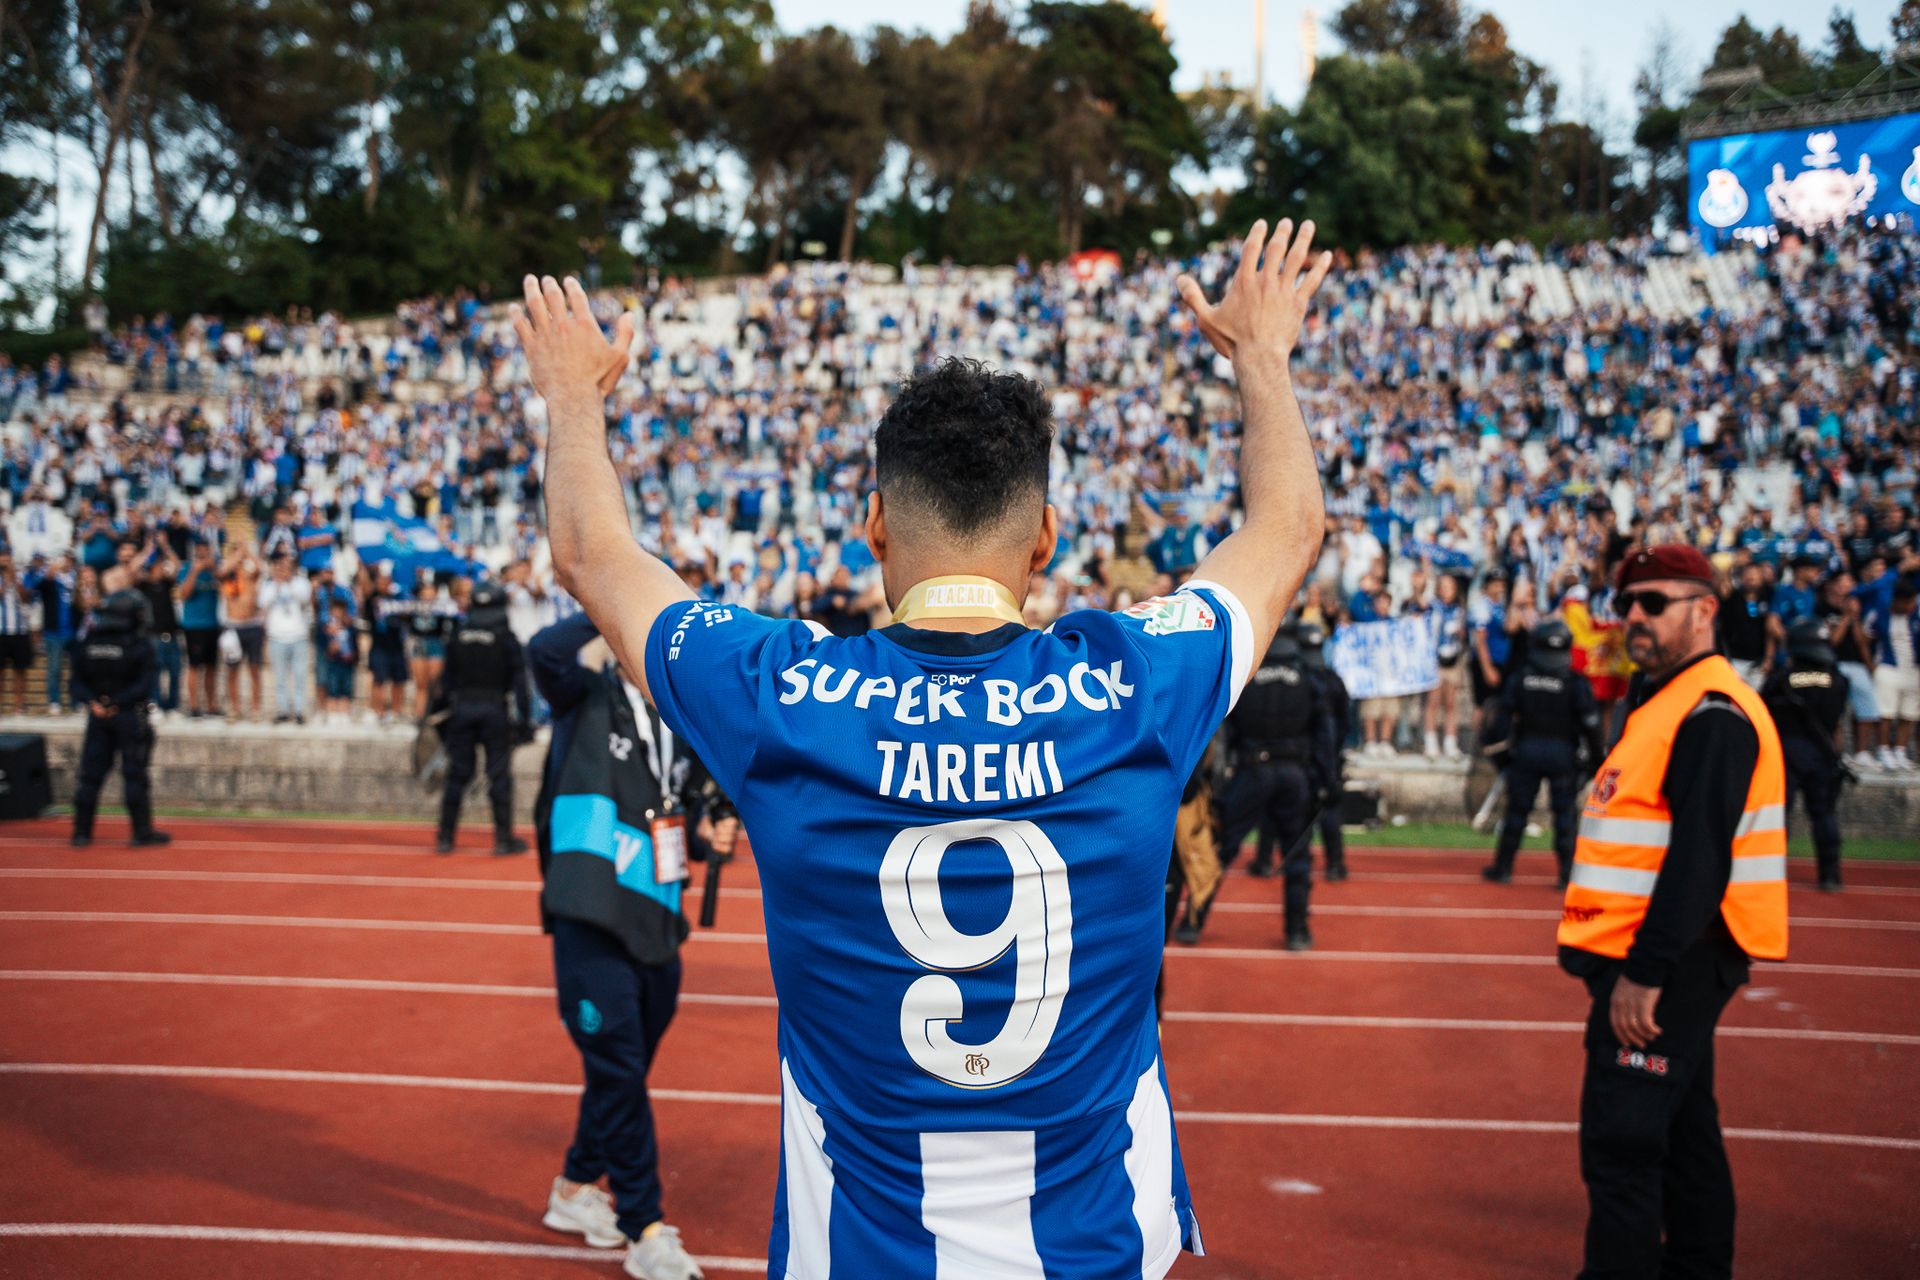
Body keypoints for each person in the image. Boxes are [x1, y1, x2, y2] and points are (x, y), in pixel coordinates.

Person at [520, 216, 1332, 1276]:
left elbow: (591, 553)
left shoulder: (787, 695)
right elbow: (1285, 531)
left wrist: (574, 396)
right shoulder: (1134, 685)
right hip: (1090, 1250)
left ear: (873, 524)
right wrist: (1262, 356)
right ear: (1045, 535)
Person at [1559, 544, 1787, 1280]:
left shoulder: (1712, 711)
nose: (1633, 618)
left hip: (1667, 967)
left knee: (1622, 1147)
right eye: (1627, 604)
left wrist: (1646, 974)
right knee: (1687, 1133)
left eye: (1653, 604)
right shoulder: (1666, 700)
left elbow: (1699, 859)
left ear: (1704, 611)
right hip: (1664, 959)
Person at [528, 611, 737, 1279]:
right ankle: (643, 1226)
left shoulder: (679, 725)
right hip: (590, 915)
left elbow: (673, 822)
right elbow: (543, 649)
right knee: (617, 1068)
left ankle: (575, 1188)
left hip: (658, 921)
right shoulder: (583, 694)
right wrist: (612, 595)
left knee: (620, 1075)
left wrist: (710, 840)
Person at [1199, 623, 1332, 950]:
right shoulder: (1308, 678)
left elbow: (1222, 729)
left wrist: (1217, 782)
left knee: (1221, 847)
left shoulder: (1247, 675)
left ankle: (1193, 920)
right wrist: (1326, 781)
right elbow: (1324, 732)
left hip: (1252, 769)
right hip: (1294, 772)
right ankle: (1297, 930)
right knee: (1297, 855)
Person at [1482, 619, 1599, 888]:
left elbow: (1500, 720)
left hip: (1527, 751)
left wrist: (1501, 757)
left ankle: (1503, 868)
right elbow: (1591, 725)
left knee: (1517, 812)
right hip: (1562, 754)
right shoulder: (1574, 682)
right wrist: (1595, 761)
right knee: (1565, 816)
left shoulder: (1522, 677)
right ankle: (1567, 874)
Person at [434, 580, 531, 854]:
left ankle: (445, 837)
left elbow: (445, 681)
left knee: (458, 774)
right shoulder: (505, 636)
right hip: (493, 710)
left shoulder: (459, 634)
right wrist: (525, 722)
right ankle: (503, 839)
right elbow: (521, 684)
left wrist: (440, 716)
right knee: (498, 775)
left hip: (462, 708)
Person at [68, 588, 170, 848]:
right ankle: (141, 831)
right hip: (126, 716)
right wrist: (116, 703)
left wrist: (94, 702)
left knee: (90, 776)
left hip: (97, 716)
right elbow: (146, 683)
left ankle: (81, 832)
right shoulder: (137, 644)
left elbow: (76, 683)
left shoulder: (89, 640)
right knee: (134, 774)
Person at [1762, 618, 1850, 892]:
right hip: (1822, 754)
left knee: (1779, 817)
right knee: (1824, 814)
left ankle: (1770, 873)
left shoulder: (1780, 679)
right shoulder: (1838, 680)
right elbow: (1836, 722)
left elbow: (1763, 715)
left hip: (1785, 754)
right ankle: (1830, 874)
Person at [1296, 618, 1350, 882]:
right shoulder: (1333, 680)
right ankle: (1335, 863)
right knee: (1328, 809)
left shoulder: (1299, 680)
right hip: (1327, 756)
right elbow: (1345, 721)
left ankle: (1296, 860)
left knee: (1298, 812)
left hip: (1304, 756)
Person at [259, 553, 314, 724]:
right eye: (279, 567)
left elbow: (304, 601)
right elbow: (263, 604)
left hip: (298, 637)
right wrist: (277, 584)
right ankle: (282, 711)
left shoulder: (301, 584)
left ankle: (298, 711)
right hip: (277, 637)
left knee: (299, 677)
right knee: (280, 678)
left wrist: (288, 584)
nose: (283, 570)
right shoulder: (268, 585)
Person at [177, 540, 223, 718]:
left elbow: (226, 589)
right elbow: (184, 594)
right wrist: (195, 571)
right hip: (193, 626)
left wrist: (213, 570)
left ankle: (211, 706)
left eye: (206, 554)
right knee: (194, 666)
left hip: (212, 624)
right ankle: (194, 706)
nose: (203, 557)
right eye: (200, 554)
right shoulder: (186, 569)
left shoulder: (215, 571)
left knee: (212, 667)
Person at [1717, 560, 1779, 691]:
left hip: (1759, 662)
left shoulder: (1769, 597)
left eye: (1755, 574)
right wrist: (1732, 563)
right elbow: (1722, 584)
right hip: (1734, 660)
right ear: (1741, 577)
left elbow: (1770, 631)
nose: (1751, 578)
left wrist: (1769, 658)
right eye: (1747, 574)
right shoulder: (1732, 597)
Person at [0, 550, 33, 714]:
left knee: (20, 670)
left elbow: (26, 596)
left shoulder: (21, 576)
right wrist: (5, 581)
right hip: (1, 630)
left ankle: (19, 705)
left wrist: (14, 579)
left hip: (20, 630)